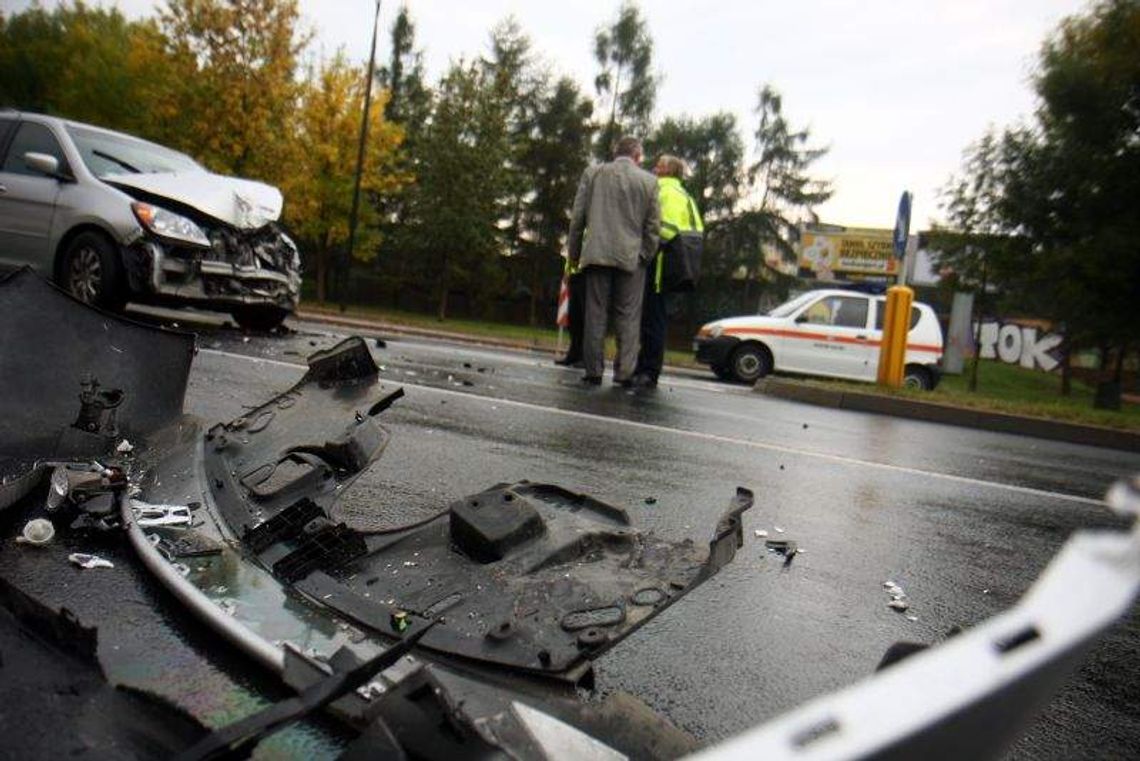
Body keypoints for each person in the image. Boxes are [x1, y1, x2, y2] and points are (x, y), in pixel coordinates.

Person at [567, 136, 660, 386]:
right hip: (631, 258)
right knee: (629, 317)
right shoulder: (649, 182)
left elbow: (577, 219)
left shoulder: (593, 174)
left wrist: (574, 255)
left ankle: (593, 370)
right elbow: (653, 228)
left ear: (614, 151)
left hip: (596, 254)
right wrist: (644, 256)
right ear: (638, 156)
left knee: (595, 314)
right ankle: (624, 372)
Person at [632, 154, 704, 388]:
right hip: (671, 265)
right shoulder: (683, 194)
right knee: (655, 317)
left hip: (660, 264)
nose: (655, 168)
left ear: (668, 171)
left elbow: (665, 229)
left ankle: (648, 370)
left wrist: (641, 241)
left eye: (660, 165)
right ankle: (646, 367)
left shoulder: (665, 192)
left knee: (653, 318)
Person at [554, 256, 584, 367]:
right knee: (573, 317)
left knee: (583, 317)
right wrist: (568, 271)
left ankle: (583, 356)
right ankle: (574, 353)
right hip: (575, 273)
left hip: (586, 272)